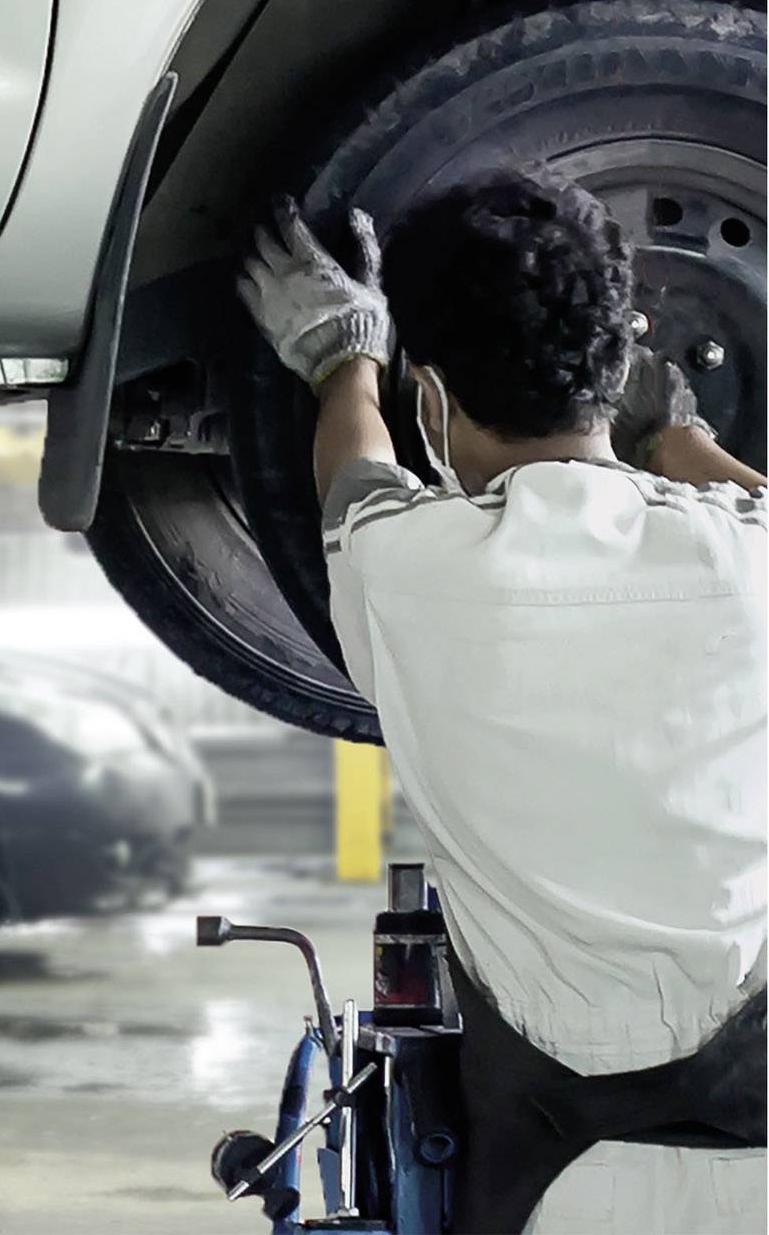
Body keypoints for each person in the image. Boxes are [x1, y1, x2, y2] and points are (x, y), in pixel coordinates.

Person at [238, 171, 766, 1234]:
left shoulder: (407, 573)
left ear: (428, 398)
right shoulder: (744, 559)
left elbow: (354, 465)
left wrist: (344, 353)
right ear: (620, 354)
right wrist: (679, 437)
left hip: (550, 1184)